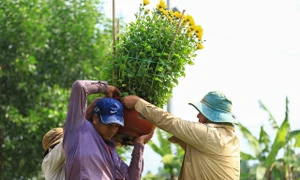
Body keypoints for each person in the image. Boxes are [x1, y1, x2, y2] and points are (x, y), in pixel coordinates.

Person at [121, 91, 240, 180]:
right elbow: (176, 131)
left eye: (201, 112)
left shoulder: (210, 135)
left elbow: (172, 123)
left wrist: (138, 103)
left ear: (211, 115)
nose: (198, 116)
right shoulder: (230, 138)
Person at [63, 80, 154, 180]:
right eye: (109, 124)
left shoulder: (111, 153)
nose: (112, 130)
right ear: (95, 118)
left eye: (116, 126)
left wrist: (139, 144)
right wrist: (106, 88)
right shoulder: (78, 129)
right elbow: (79, 86)